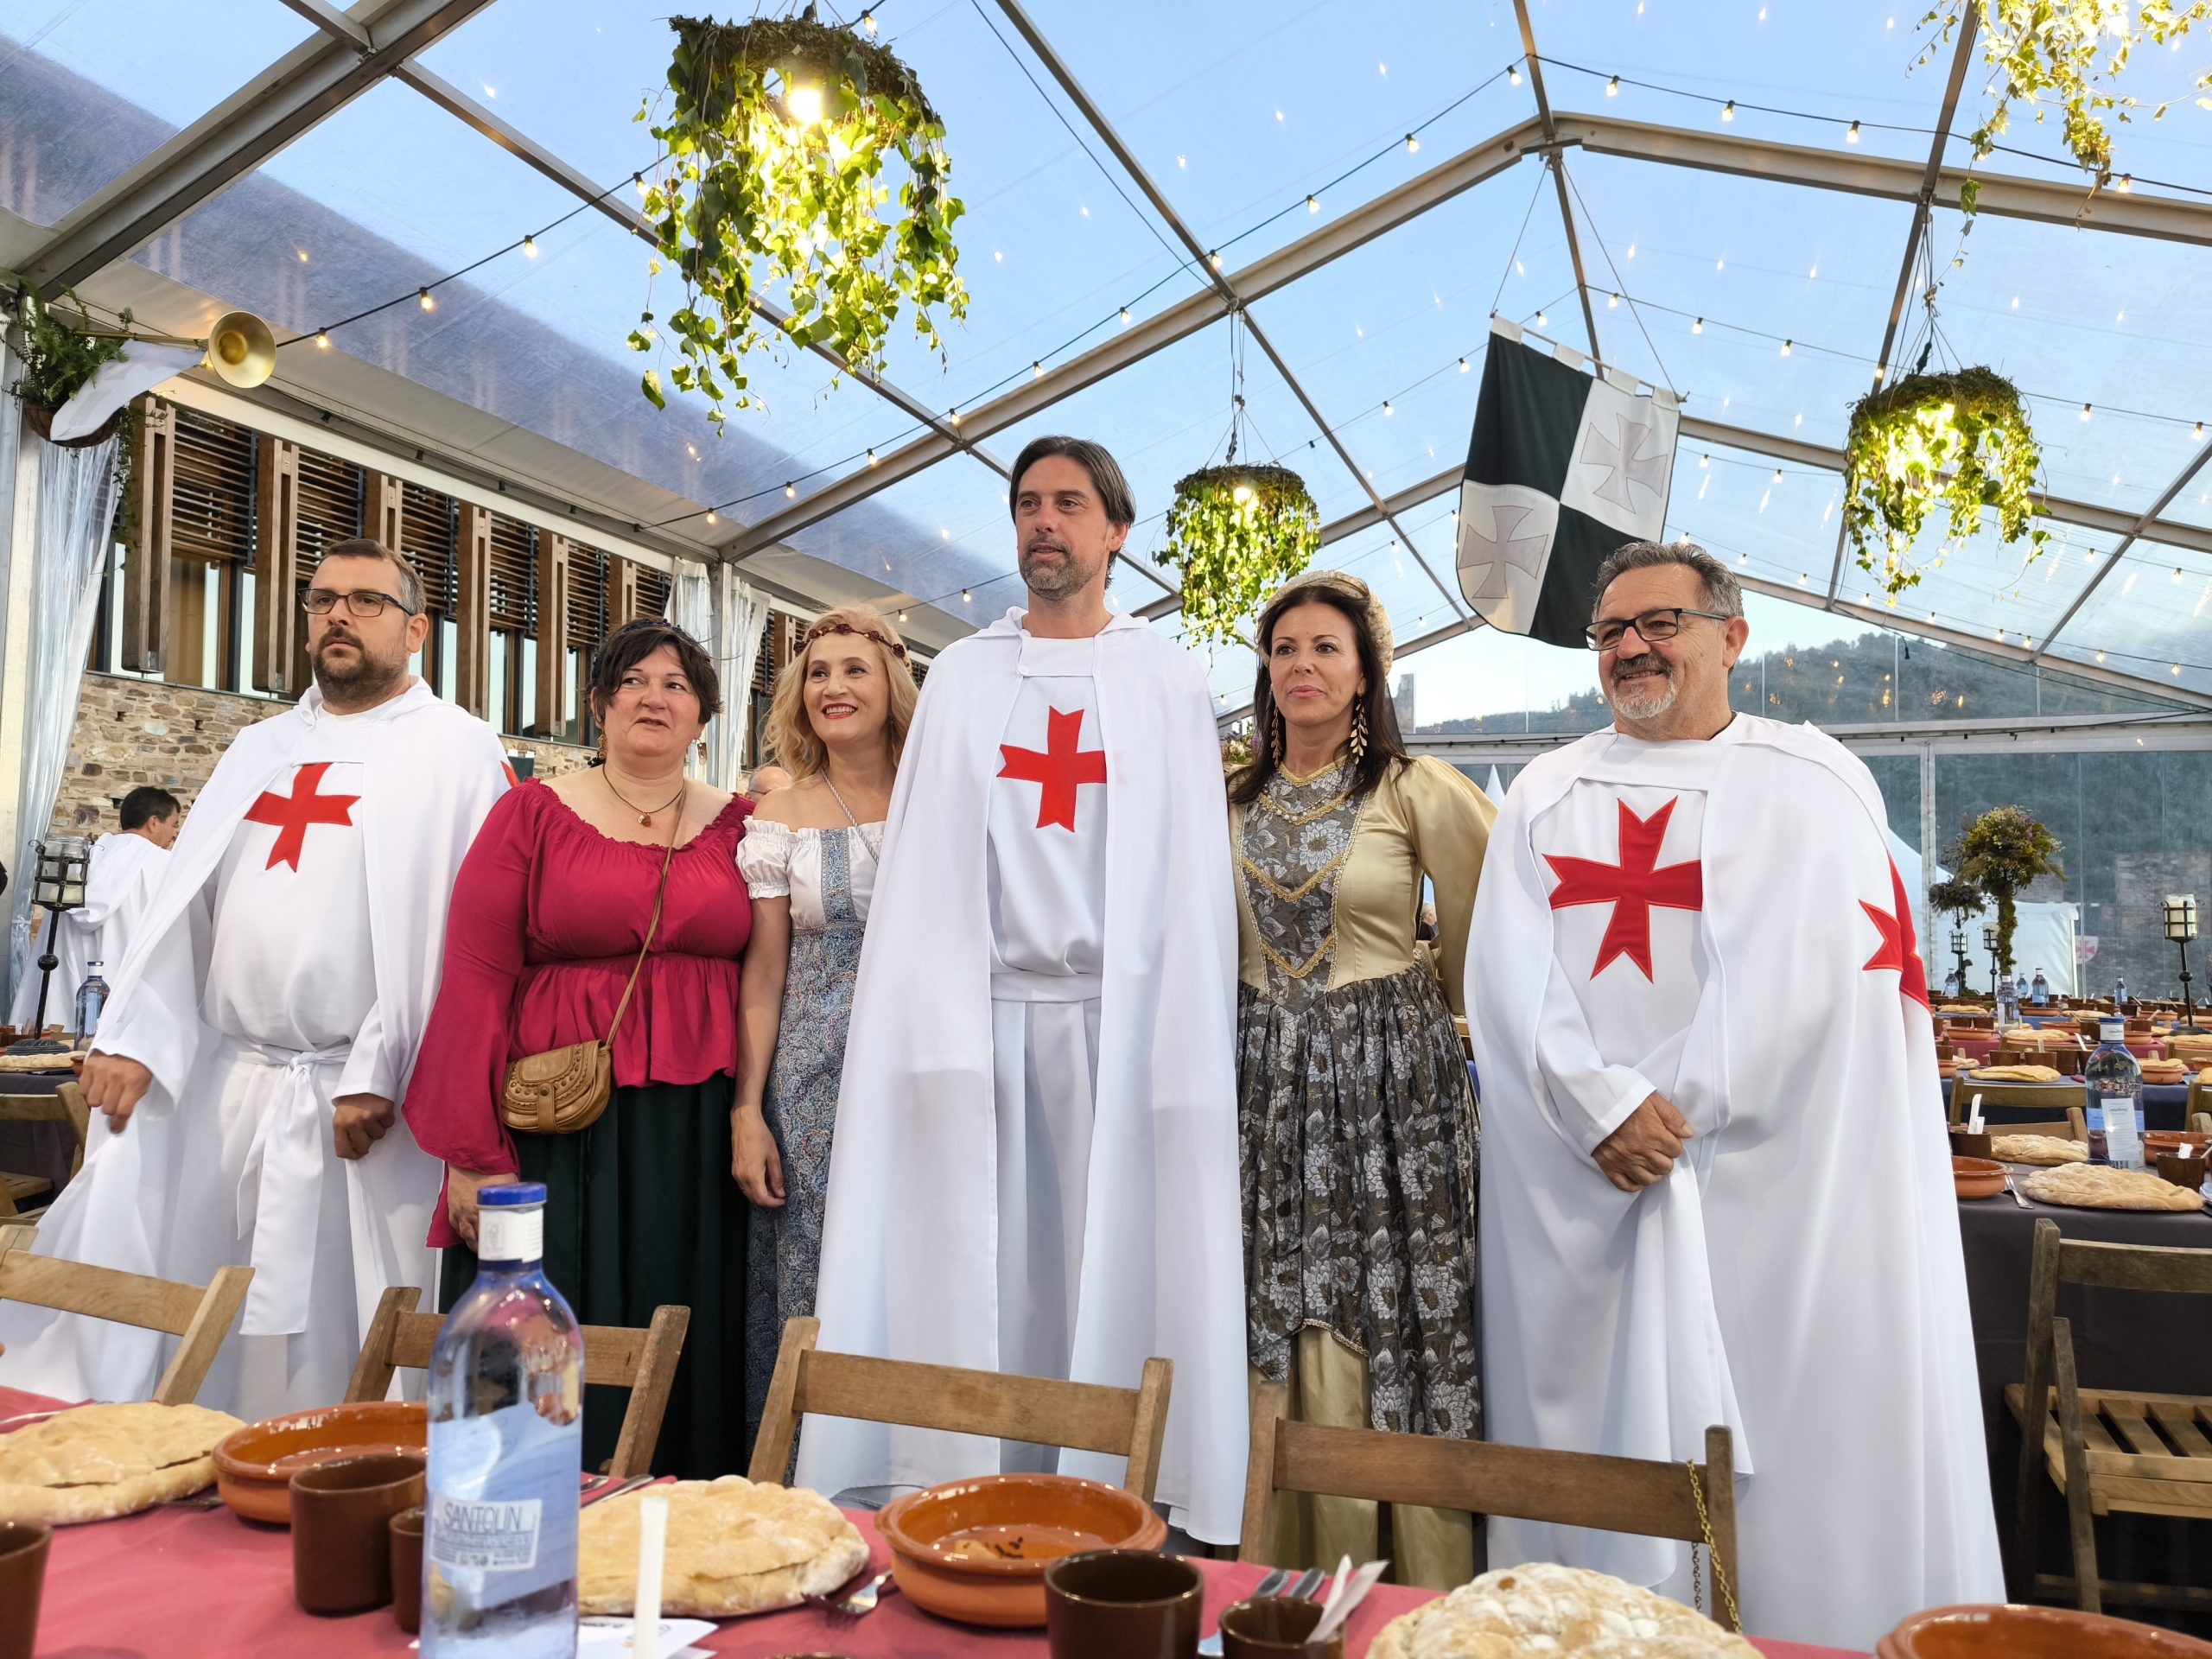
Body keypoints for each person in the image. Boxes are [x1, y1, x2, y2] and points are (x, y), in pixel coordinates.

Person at [1469, 541, 2002, 1647]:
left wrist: (1684, 1105)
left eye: (1659, 623)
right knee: (1605, 1467)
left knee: (1804, 1457)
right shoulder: (1545, 792)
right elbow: (1508, 975)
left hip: (1778, 1192)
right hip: (1596, 1185)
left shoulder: (1811, 786)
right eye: (1611, 631)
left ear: (1732, 637)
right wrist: (1602, 1107)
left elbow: (1824, 980)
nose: (1631, 647)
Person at [797, 436, 1248, 1541]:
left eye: (1069, 504)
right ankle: (961, 1479)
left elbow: (1191, 880)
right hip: (982, 1017)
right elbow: (926, 876)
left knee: (1110, 1262)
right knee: (987, 1268)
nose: (1045, 523)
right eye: (1028, 505)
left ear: (1116, 531)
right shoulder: (962, 678)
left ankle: (1114, 1490)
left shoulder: (1165, 678)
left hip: (1120, 1022)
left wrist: (1184, 1042)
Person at [0, 540, 509, 1417]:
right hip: (234, 1085)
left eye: (365, 602)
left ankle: (342, 1491)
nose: (338, 616)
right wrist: (131, 1036)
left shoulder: (457, 751)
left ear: (417, 629)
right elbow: (185, 910)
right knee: (202, 1300)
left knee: (350, 1335)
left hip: (369, 1101)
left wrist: (379, 1068)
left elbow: (463, 933)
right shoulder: (260, 746)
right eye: (321, 600)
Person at [404, 618, 752, 1478]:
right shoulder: (531, 813)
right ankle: (531, 1515)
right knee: (548, 1326)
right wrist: (470, 1154)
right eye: (633, 680)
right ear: (599, 705)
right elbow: (476, 976)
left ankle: (684, 1510)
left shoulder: (742, 826)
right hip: (556, 1125)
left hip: (695, 1128)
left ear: (702, 717)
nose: (653, 698)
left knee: (685, 1316)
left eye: (676, 685)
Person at [1230, 570, 1494, 1590]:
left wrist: (1437, 1024)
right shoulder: (1226, 797)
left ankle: (1408, 1574)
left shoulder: (1416, 789)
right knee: (1270, 1288)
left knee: (1391, 1305)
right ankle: (1271, 1561)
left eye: (1324, 648)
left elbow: (1487, 936)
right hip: (1258, 1085)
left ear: (1364, 672)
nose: (1301, 665)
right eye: (1284, 647)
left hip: (1394, 1095)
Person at [732, 606, 914, 1438]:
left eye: (854, 669)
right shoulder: (781, 816)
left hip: (923, 1064)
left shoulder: (938, 794)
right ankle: (812, 1470)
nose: (833, 687)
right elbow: (764, 973)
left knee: (916, 1254)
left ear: (893, 684)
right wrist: (747, 1110)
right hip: (810, 1083)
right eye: (818, 672)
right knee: (814, 1268)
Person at [8, 787, 182, 1033]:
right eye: (175, 824)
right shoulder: (164, 866)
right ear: (154, 822)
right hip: (123, 1006)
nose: (175, 834)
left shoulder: (80, 861)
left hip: (55, 1014)